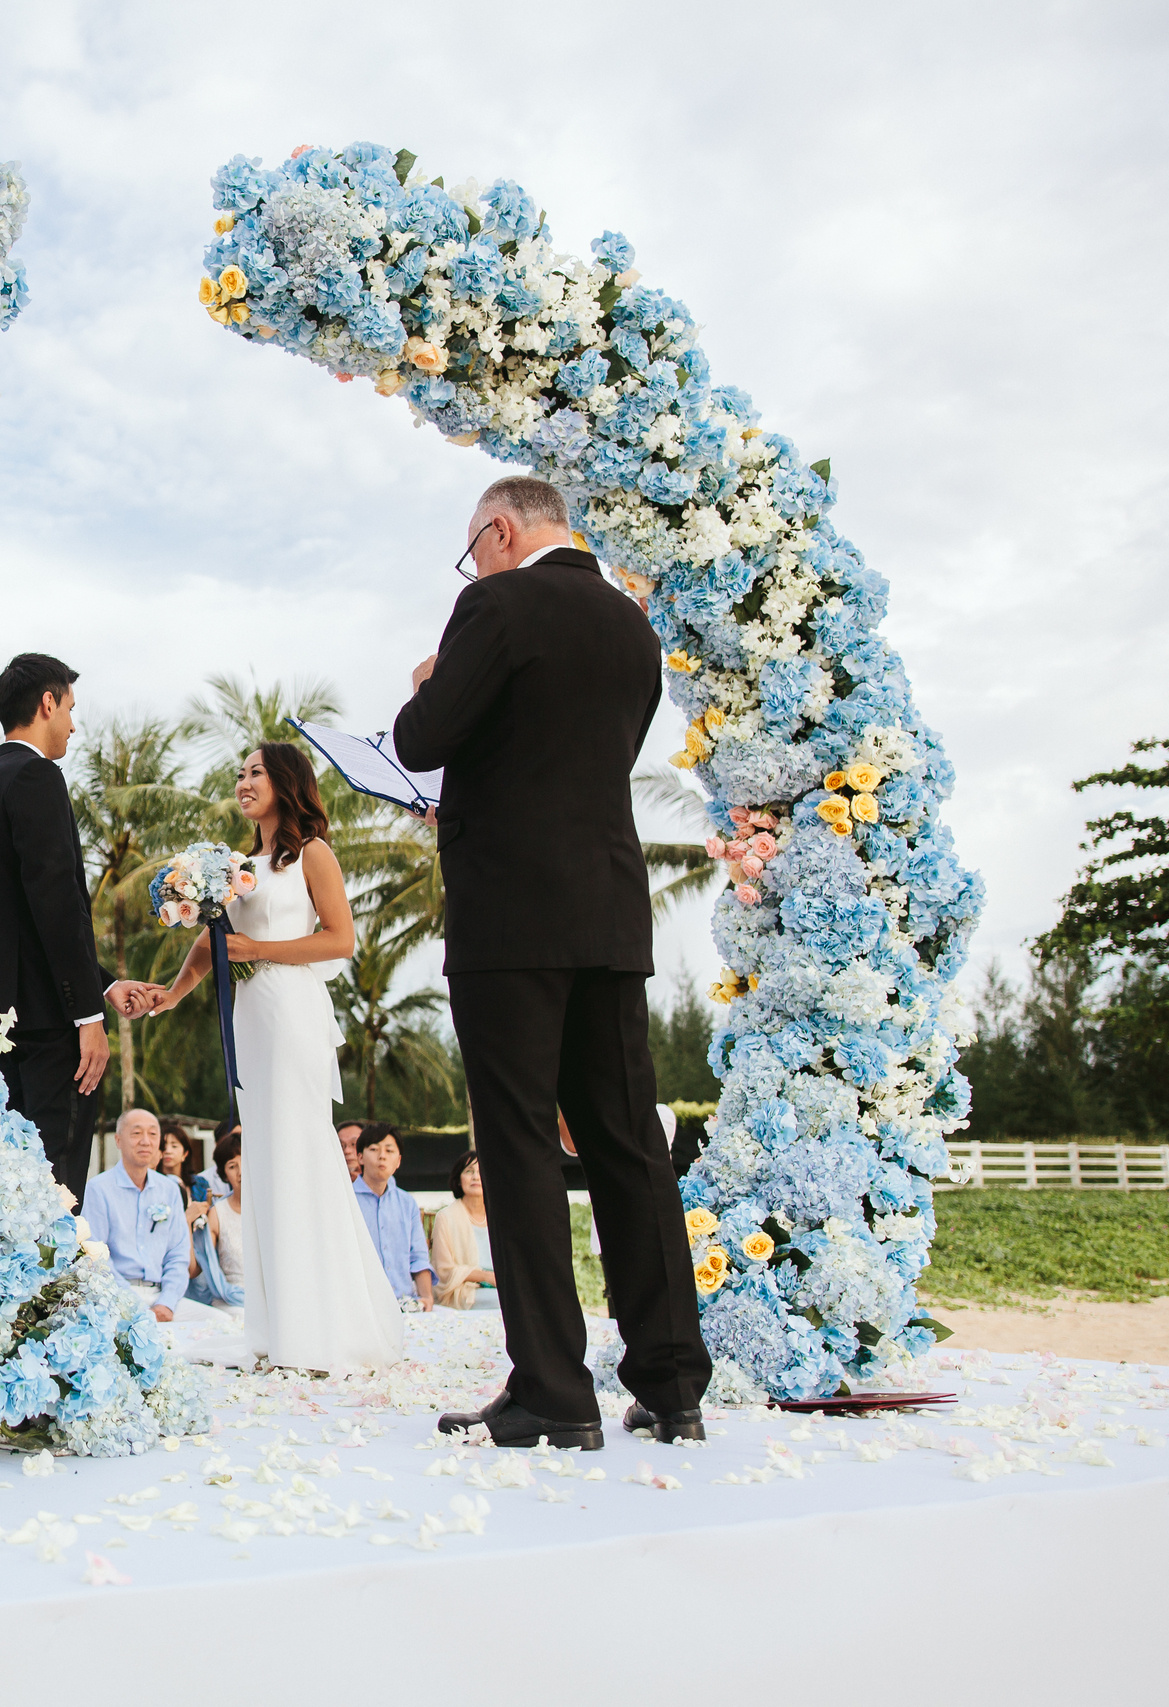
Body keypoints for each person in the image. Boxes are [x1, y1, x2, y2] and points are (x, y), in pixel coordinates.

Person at [394, 474, 711, 1448]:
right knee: (628, 1144)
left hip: (511, 918)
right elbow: (581, 754)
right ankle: (670, 1384)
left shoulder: (495, 602)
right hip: (609, 910)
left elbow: (421, 739)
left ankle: (553, 1391)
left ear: (498, 530)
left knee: (523, 1143)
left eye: (471, 548)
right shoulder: (632, 629)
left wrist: (427, 682)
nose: (472, 565)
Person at [135, 743, 404, 1373]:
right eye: (240, 773)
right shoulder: (236, 868)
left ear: (287, 782)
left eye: (256, 771)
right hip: (249, 1019)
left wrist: (261, 945)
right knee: (265, 1161)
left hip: (292, 1013)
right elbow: (212, 940)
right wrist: (172, 994)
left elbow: (340, 937)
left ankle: (320, 1331)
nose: (244, 781)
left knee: (298, 1156)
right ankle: (278, 1324)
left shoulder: (313, 854)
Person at [0, 652, 156, 1193]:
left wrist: (107, 984)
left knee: (12, 1190)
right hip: (51, 1030)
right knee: (57, 1187)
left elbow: (24, 920)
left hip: (4, 1025)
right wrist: (87, 1017)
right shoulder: (37, 776)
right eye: (70, 708)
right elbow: (57, 905)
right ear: (48, 703)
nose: (73, 723)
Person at [81, 1110, 191, 1323]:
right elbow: (95, 1256)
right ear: (118, 1140)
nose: (145, 1141)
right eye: (137, 1133)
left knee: (221, 1325)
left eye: (153, 1134)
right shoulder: (99, 1188)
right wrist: (135, 1305)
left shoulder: (169, 1189)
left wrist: (166, 1303)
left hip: (163, 1297)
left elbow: (178, 1255)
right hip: (115, 1296)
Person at [350, 1126, 435, 1309]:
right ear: (360, 1157)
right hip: (361, 1306)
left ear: (398, 1161)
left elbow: (418, 1257)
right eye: (374, 1149)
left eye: (389, 1150)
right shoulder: (347, 1200)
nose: (382, 1156)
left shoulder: (407, 1203)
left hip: (405, 1303)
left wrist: (427, 1298)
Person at [430, 1150, 501, 1311]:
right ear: (459, 1180)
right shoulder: (445, 1217)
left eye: (481, 1171)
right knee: (504, 1302)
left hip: (501, 1286)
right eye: (469, 1171)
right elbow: (443, 1271)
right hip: (465, 1290)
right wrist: (486, 1277)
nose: (476, 1177)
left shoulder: (500, 1217)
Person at [187, 1131, 247, 1310]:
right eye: (232, 1166)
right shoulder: (218, 1214)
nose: (241, 1172)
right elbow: (194, 1270)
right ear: (224, 1175)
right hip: (232, 1302)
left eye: (246, 1162)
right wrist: (186, 1224)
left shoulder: (273, 1211)